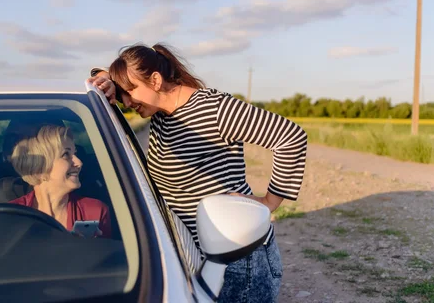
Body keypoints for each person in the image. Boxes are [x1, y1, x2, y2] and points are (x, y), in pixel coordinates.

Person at [89, 42, 307, 302]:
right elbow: (125, 76)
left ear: (156, 80)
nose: (127, 101)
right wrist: (105, 78)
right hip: (201, 257)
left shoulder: (214, 110)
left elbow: (290, 137)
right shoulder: (161, 114)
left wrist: (268, 203)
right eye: (124, 92)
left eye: (131, 91)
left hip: (237, 260)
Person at [9, 124, 112, 238]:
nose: (79, 163)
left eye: (75, 153)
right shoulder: (11, 216)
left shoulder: (94, 212)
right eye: (66, 154)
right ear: (39, 168)